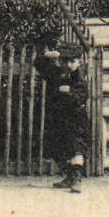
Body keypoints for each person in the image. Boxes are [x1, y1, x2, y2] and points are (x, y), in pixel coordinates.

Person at [35, 42, 90, 192]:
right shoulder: (57, 73)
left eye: (72, 61)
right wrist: (47, 55)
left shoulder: (79, 78)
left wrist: (69, 92)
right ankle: (69, 176)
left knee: (76, 147)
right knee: (55, 147)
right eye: (65, 61)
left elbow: (81, 97)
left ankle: (77, 178)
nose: (69, 65)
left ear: (79, 62)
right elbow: (39, 65)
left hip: (75, 119)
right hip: (58, 118)